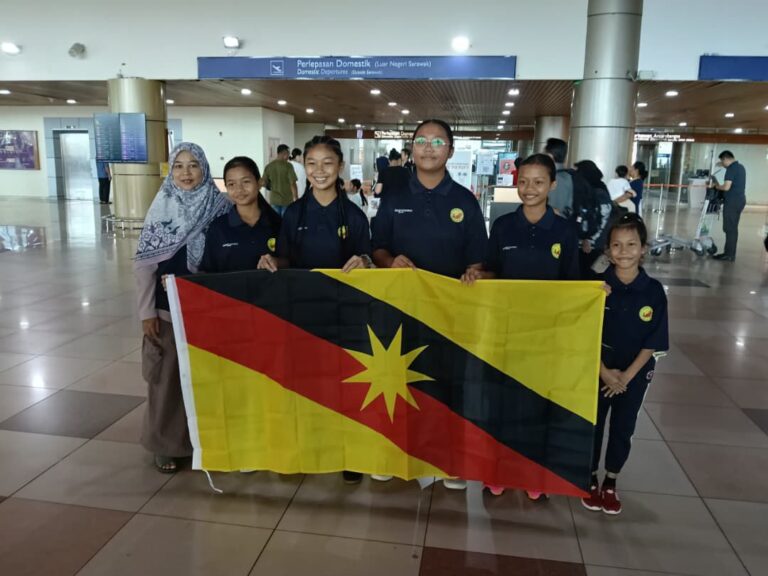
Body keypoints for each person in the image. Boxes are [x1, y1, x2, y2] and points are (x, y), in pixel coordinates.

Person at [372, 119, 488, 490]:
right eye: (422, 140)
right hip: (400, 309)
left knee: (447, 384)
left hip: (449, 313)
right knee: (398, 380)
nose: (428, 147)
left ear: (450, 151)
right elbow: (377, 247)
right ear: (412, 148)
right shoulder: (394, 197)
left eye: (438, 142)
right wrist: (389, 261)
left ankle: (447, 459)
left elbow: (478, 259)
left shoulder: (465, 201)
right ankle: (393, 454)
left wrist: (474, 272)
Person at [463, 153, 579, 499]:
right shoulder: (503, 226)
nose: (529, 189)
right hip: (506, 330)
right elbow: (493, 270)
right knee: (502, 401)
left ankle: (532, 474)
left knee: (537, 404)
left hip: (545, 335)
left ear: (552, 185)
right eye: (524, 181)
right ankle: (498, 470)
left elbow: (572, 284)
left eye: (538, 182)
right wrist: (478, 275)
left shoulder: (564, 231)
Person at [259, 136, 372, 485]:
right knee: (305, 382)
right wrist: (272, 260)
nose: (319, 171)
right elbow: (286, 259)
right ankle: (304, 447)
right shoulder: (294, 214)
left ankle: (348, 453)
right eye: (312, 163)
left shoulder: (354, 216)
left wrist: (365, 260)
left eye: (327, 163)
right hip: (303, 313)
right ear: (303, 167)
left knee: (345, 383)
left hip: (344, 315)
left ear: (340, 167)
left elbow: (368, 260)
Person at [134, 142, 230, 473]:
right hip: (167, 311)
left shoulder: (220, 207)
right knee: (167, 380)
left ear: (204, 168)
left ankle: (204, 443)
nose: (186, 173)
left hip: (206, 309)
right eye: (179, 166)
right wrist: (147, 312)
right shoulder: (161, 207)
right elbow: (144, 266)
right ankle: (165, 445)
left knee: (206, 380)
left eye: (193, 165)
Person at [582, 213, 668, 515]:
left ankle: (611, 480)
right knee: (593, 424)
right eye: (617, 245)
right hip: (598, 369)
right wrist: (605, 373)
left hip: (635, 374)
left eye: (632, 244)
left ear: (643, 248)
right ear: (608, 250)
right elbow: (584, 333)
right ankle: (590, 476)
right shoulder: (596, 287)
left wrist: (625, 378)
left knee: (623, 427)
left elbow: (653, 342)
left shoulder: (653, 291)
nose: (624, 251)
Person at [200, 156, 282, 273]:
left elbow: (292, 261)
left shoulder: (277, 224)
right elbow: (207, 271)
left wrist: (277, 262)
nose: (239, 189)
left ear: (259, 183)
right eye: (231, 184)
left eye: (246, 182)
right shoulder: (218, 228)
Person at [574, 160, 613, 277]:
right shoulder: (593, 189)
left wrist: (589, 240)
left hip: (592, 246)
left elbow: (603, 220)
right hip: (588, 244)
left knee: (590, 277)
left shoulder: (598, 192)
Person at [711, 150, 747, 261]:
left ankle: (729, 255)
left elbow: (726, 187)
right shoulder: (740, 167)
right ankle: (730, 253)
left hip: (732, 202)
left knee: (729, 228)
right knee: (732, 228)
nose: (722, 164)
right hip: (739, 201)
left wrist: (716, 186)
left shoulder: (731, 169)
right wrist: (721, 164)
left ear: (726, 159)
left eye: (722, 162)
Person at [260, 144, 298, 216]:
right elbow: (292, 183)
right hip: (287, 201)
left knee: (275, 220)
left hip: (274, 200)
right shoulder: (288, 166)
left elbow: (262, 182)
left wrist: (270, 187)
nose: (289, 156)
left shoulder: (269, 166)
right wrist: (296, 197)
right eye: (288, 154)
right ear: (284, 153)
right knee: (285, 221)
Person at [544, 138, 573, 216]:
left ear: (551, 155)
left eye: (545, 153)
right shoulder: (566, 176)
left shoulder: (556, 178)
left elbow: (554, 209)